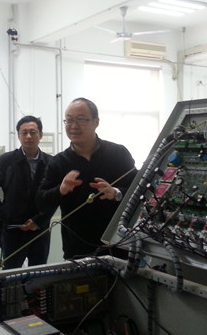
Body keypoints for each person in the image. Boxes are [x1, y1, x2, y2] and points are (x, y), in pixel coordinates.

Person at [37, 98, 137, 259]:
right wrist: (60, 190)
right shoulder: (59, 162)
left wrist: (116, 193)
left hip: (118, 245)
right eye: (69, 120)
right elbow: (41, 201)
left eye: (81, 120)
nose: (74, 126)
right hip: (77, 249)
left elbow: (140, 192)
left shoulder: (118, 153)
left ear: (96, 122)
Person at [0, 115, 56, 269]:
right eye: (24, 132)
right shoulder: (7, 160)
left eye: (33, 132)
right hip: (13, 228)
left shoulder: (50, 162)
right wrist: (5, 213)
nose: (28, 136)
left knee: (39, 272)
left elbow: (54, 197)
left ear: (40, 135)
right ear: (18, 135)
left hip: (39, 228)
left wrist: (39, 220)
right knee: (11, 272)